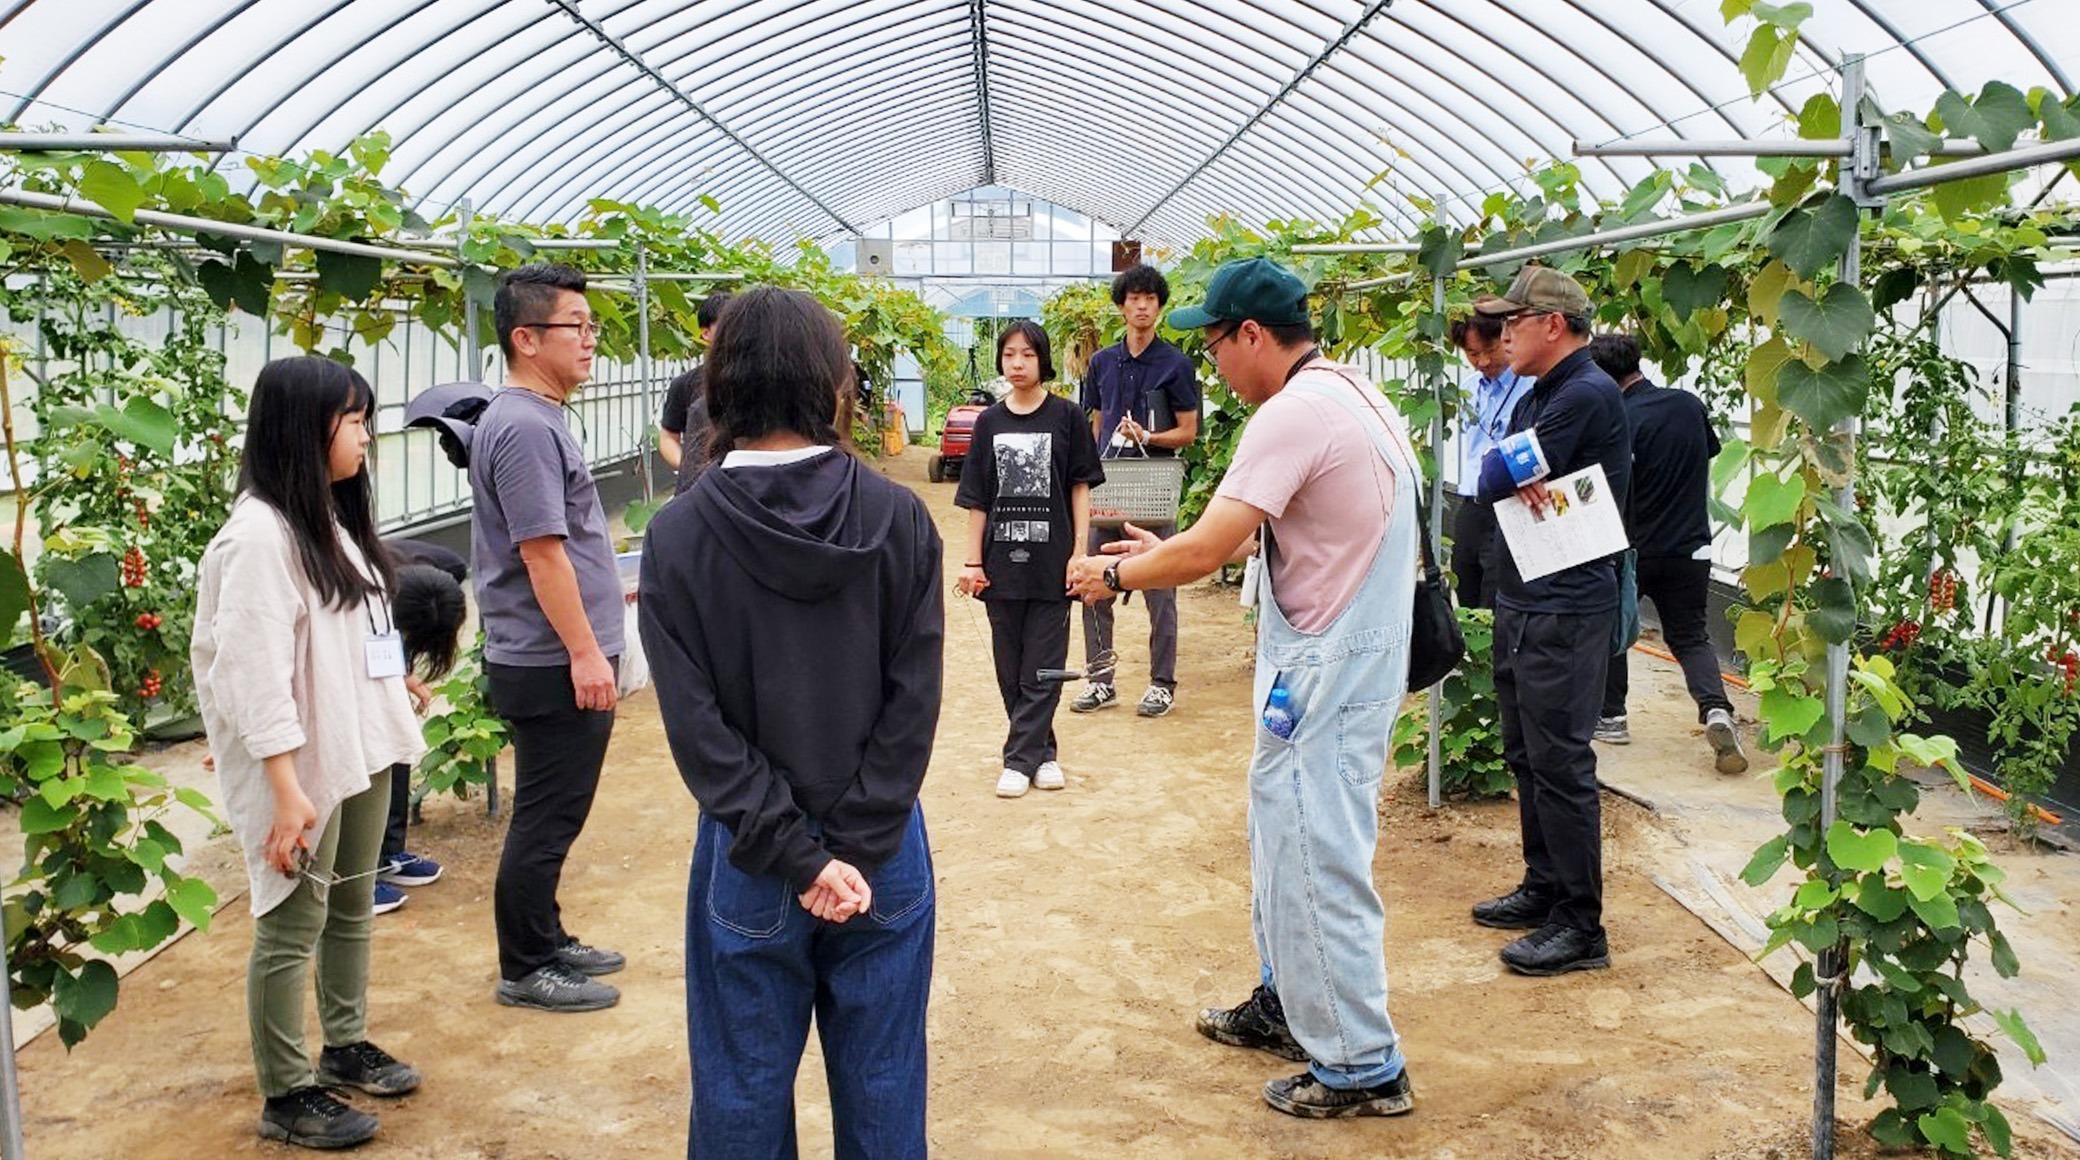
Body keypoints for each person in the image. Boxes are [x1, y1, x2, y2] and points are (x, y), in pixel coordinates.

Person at [1068, 257, 1420, 1120]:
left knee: (1314, 847)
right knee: (1284, 836)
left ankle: (1363, 1064)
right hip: (1343, 654)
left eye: (1217, 343)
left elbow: (1203, 552)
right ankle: (1288, 1002)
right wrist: (1144, 552)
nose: (1213, 365)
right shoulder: (1352, 393)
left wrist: (1117, 580)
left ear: (1254, 336)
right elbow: (1239, 535)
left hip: (1327, 668)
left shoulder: (1290, 414)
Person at [638, 287, 943, 1160]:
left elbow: (699, 734)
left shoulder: (681, 536)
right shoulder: (898, 520)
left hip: (751, 858)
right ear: (835, 382)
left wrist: (801, 858)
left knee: (740, 1087)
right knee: (884, 1086)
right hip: (881, 856)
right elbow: (912, 704)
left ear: (717, 385)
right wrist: (849, 848)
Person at [192, 356, 427, 1149]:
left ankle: (345, 1042)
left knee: (351, 904)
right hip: (301, 765)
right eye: (353, 419)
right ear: (303, 429)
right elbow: (252, 676)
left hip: (357, 745)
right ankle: (287, 1091)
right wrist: (286, 789)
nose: (367, 434)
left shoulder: (324, 518)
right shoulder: (257, 538)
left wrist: (396, 690)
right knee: (292, 924)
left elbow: (358, 624)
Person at [469, 263, 626, 1012]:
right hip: (548, 658)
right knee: (546, 811)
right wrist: (586, 651)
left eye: (591, 325)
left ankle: (547, 934)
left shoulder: (537, 418)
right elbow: (541, 552)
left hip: (551, 653)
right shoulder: (525, 427)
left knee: (556, 807)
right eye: (577, 326)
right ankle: (526, 965)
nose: (590, 339)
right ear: (527, 339)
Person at [1467, 266, 1632, 977]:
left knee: (1562, 761)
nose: (1503, 336)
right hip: (1528, 595)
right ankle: (1545, 885)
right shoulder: (1544, 396)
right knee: (1529, 753)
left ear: (1553, 325)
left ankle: (1580, 924)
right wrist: (1510, 467)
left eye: (1514, 323)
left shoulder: (1584, 394)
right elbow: (1494, 469)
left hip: (1565, 604)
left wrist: (1512, 468)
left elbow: (1493, 476)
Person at [955, 320, 1103, 799]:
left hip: (1052, 562)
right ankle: (1044, 753)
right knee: (1010, 668)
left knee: (1044, 666)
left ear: (1043, 360)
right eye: (1009, 354)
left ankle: (1018, 761)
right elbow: (978, 499)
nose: (1017, 363)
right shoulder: (988, 423)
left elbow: (1079, 487)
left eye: (1027, 355)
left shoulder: (1067, 417)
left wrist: (1079, 551)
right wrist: (972, 562)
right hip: (1001, 564)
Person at [1587, 333, 1747, 774]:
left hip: (1633, 549)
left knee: (1613, 630)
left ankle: (1612, 717)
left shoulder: (1617, 419)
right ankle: (1716, 709)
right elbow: (1707, 453)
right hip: (1689, 547)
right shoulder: (1688, 405)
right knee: (1691, 636)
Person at [1072, 263, 1200, 719]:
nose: (1142, 305)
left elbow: (1188, 431)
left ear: (1160, 307)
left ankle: (1161, 683)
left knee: (1160, 587)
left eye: (1150, 299)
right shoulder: (1103, 362)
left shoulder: (1176, 365)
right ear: (1122, 306)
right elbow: (1094, 421)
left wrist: (1149, 436)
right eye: (1134, 298)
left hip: (1153, 489)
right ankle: (1100, 680)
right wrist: (1086, 469)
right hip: (1108, 485)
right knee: (1092, 582)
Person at [369, 563, 470, 915]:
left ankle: (385, 854)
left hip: (377, 646)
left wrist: (403, 674)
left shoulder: (439, 569)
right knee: (366, 756)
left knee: (395, 743)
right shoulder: (359, 597)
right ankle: (352, 876)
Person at [1447, 314, 1534, 609]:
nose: (1483, 361)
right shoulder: (1468, 389)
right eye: (1472, 354)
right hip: (1472, 504)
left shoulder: (1530, 387)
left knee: (1497, 593)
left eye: (1490, 350)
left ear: (1506, 338)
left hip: (1511, 504)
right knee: (1465, 579)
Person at [658, 291, 733, 494]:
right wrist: (689, 467)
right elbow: (667, 438)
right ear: (705, 332)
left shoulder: (761, 381)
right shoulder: (685, 385)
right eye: (724, 324)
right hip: (697, 491)